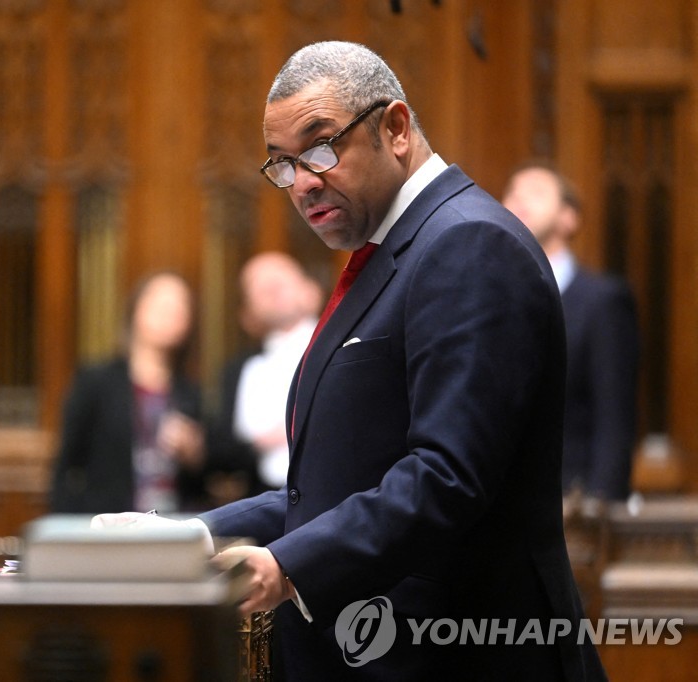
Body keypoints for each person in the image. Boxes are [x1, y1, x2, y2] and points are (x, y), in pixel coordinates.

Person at [96, 42, 605, 680]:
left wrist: (287, 566)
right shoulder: (396, 251)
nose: (303, 181)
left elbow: (448, 477)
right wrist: (194, 534)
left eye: (320, 147)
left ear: (394, 128)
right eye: (282, 164)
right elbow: (338, 486)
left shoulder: (467, 244)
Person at [502, 162, 640, 501]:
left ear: (569, 218)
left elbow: (614, 415)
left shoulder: (602, 301)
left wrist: (601, 503)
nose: (519, 198)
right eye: (512, 192)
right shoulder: (489, 296)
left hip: (572, 501)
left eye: (536, 191)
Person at [49, 271, 206, 515]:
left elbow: (202, 480)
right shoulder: (97, 382)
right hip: (108, 531)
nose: (173, 313)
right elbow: (67, 467)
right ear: (136, 310)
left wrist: (194, 453)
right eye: (162, 304)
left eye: (182, 307)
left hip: (173, 530)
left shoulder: (190, 391)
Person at [207, 252, 322, 499]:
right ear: (247, 315)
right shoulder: (239, 371)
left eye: (280, 282)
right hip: (265, 500)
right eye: (260, 288)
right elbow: (221, 450)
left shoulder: (345, 348)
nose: (272, 290)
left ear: (311, 292)